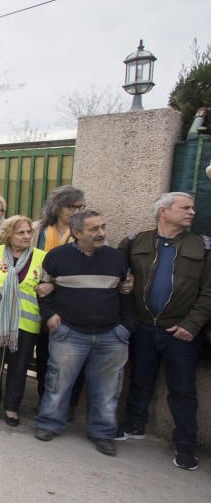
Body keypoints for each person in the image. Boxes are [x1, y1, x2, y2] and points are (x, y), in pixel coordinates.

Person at [117, 192, 210, 470]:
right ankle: (134, 425)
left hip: (180, 332)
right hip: (143, 327)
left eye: (193, 208)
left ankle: (185, 445)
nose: (192, 212)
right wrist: (128, 319)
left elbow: (208, 293)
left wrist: (191, 325)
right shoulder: (135, 242)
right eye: (185, 207)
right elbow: (120, 281)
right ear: (164, 212)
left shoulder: (203, 247)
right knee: (139, 379)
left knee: (182, 390)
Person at [34, 210, 134, 457]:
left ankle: (102, 433)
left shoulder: (117, 259)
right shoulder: (57, 257)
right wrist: (50, 317)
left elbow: (126, 294)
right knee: (58, 383)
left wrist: (126, 327)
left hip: (111, 335)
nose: (101, 233)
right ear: (77, 233)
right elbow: (43, 290)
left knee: (107, 388)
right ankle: (49, 424)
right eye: (94, 229)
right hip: (69, 333)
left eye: (103, 227)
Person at [0, 216, 46, 426]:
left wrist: (49, 287)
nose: (27, 236)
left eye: (29, 232)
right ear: (9, 235)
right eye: (21, 232)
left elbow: (49, 284)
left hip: (26, 323)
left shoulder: (41, 257)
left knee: (19, 367)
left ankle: (11, 407)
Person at [31, 186, 87, 401]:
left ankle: (67, 403)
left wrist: (55, 285)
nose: (76, 211)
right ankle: (43, 398)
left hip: (69, 301)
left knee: (68, 357)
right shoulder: (38, 229)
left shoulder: (84, 232)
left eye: (80, 206)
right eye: (71, 206)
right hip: (37, 298)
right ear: (57, 206)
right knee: (44, 353)